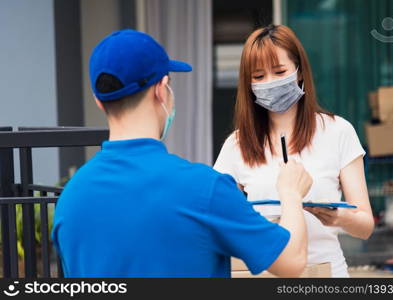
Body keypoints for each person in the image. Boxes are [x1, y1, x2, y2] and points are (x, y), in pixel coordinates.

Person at [51, 29, 313, 278]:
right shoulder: (204, 189)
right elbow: (291, 261)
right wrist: (290, 194)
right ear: (161, 89)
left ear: (99, 101)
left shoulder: (71, 199)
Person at [214, 24, 374, 277]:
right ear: (248, 84)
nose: (270, 83)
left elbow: (365, 226)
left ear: (299, 71)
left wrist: (339, 217)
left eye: (279, 71)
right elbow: (220, 219)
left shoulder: (338, 131)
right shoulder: (236, 145)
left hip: (327, 272)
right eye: (258, 77)